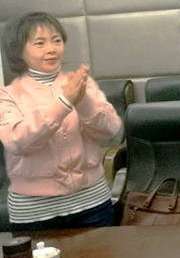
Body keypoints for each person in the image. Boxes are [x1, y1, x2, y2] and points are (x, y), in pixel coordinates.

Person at [0, 12, 123, 231]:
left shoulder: (80, 84)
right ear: (18, 50)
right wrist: (64, 102)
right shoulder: (6, 95)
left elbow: (111, 130)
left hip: (93, 204)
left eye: (56, 41)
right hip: (35, 213)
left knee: (101, 256)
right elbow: (17, 141)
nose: (51, 49)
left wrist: (82, 100)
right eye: (40, 43)